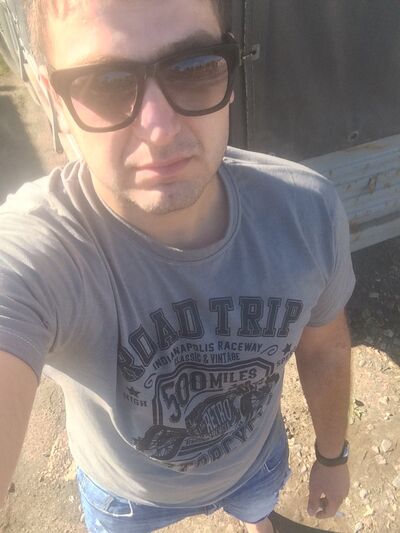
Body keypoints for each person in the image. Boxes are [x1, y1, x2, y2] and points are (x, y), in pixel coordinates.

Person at [0, 1, 355, 532]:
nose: (160, 129)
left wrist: (332, 457)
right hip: (125, 497)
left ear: (229, 74)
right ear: (56, 99)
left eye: (194, 68)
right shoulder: (40, 252)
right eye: (104, 84)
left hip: (254, 465)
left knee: (259, 513)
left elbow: (325, 349)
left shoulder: (306, 211)